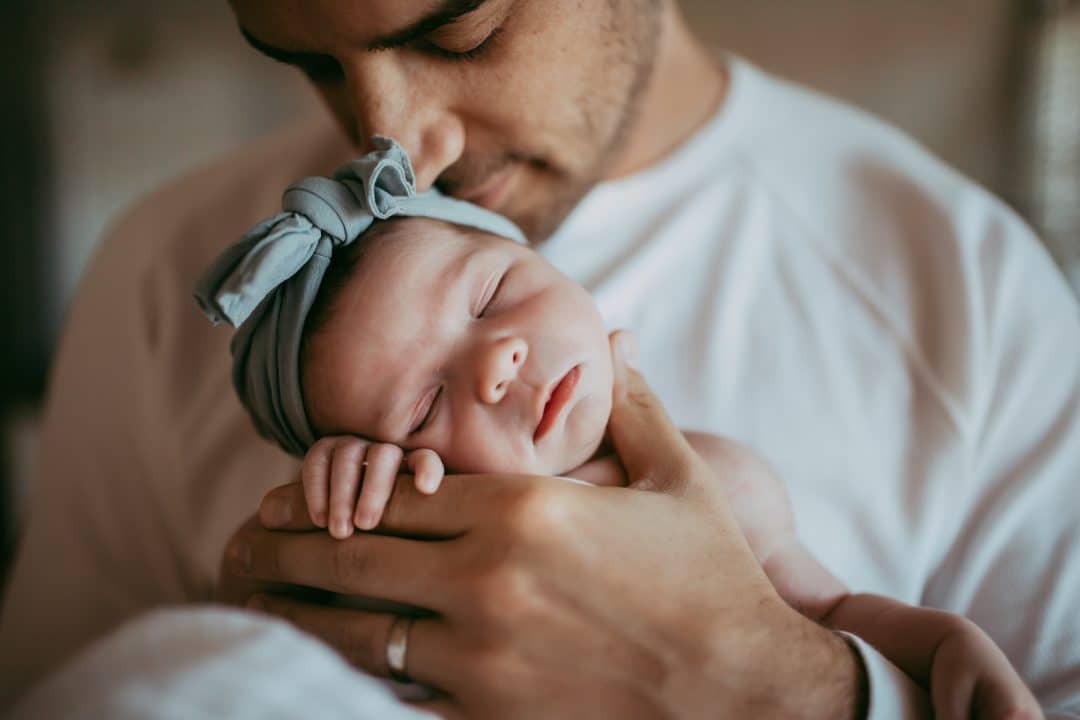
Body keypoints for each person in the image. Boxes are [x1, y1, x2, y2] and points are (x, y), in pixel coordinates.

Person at [2, 0, 1078, 717]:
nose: (397, 141)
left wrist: (802, 690)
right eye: (315, 63)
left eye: (460, 31)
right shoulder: (172, 276)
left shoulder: (966, 289)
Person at [196, 140, 1040, 718]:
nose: (497, 363)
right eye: (421, 409)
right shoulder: (408, 550)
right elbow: (251, 638)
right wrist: (339, 506)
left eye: (490, 296)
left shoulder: (721, 484)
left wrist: (939, 644)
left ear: (550, 263)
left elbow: (831, 612)